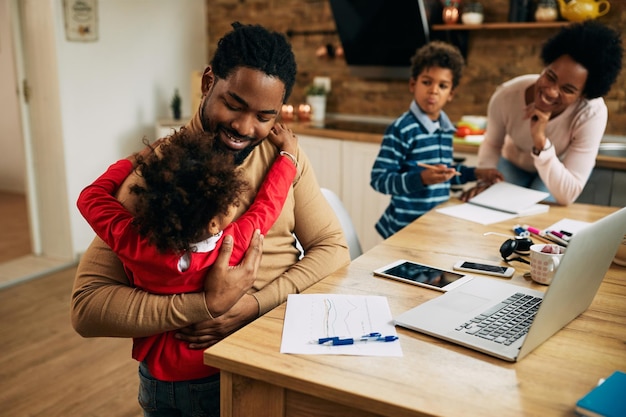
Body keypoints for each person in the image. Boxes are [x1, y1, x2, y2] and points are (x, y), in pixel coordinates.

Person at [71, 22, 350, 417]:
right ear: (207, 82)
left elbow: (332, 249)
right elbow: (88, 308)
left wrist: (251, 306)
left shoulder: (283, 156)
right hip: (190, 378)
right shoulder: (158, 177)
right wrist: (205, 306)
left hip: (272, 358)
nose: (243, 127)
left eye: (264, 116)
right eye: (233, 105)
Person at [77, 124, 297, 391]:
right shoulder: (232, 244)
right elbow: (269, 202)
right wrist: (289, 155)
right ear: (215, 224)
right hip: (208, 374)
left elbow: (90, 197)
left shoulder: (132, 241)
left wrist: (137, 158)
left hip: (155, 379)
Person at [462, 20, 623, 205]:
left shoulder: (592, 114)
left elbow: (567, 194)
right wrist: (484, 178)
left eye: (568, 89)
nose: (551, 91)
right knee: (491, 205)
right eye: (550, 76)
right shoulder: (507, 95)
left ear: (584, 95)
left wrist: (540, 140)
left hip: (554, 170)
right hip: (512, 163)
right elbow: (491, 143)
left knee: (538, 212)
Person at [370, 41, 483, 238]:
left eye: (443, 85)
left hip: (434, 228)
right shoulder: (402, 129)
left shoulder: (446, 129)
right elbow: (379, 180)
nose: (433, 90)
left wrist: (476, 173)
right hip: (403, 231)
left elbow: (444, 173)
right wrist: (420, 179)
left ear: (451, 94)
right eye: (427, 82)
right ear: (413, 84)